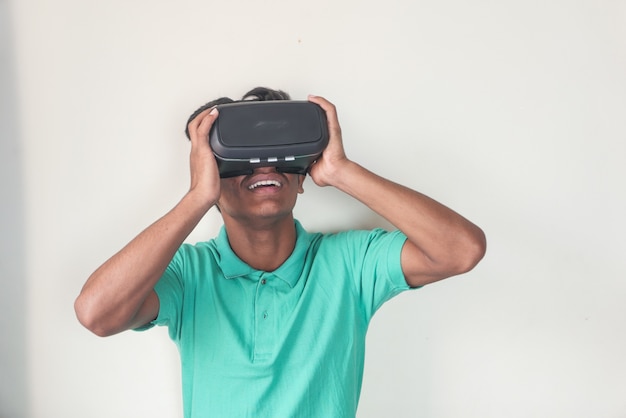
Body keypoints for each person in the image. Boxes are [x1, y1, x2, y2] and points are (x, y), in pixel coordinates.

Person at [75, 87, 486, 418]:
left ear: (301, 175)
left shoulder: (348, 263)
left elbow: (460, 250)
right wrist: (197, 197)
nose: (264, 166)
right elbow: (97, 313)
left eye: (278, 153)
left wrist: (341, 171)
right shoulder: (188, 273)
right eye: (243, 158)